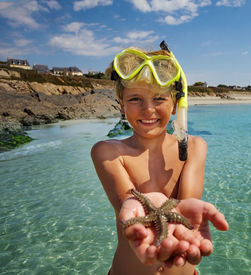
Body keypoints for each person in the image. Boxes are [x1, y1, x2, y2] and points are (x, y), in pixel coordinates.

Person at [91, 41, 229, 275]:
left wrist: (168, 208)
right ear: (121, 104)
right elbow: (131, 205)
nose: (148, 109)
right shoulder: (107, 153)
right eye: (135, 99)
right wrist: (153, 199)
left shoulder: (194, 148)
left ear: (176, 104)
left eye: (159, 99)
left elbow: (183, 209)